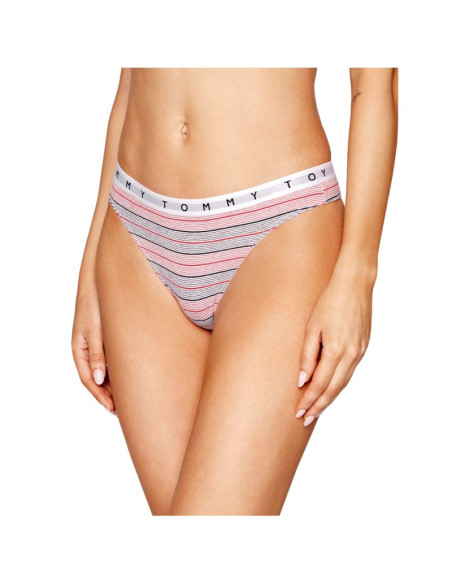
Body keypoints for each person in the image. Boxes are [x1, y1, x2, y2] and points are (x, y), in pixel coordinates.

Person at [71, 68, 398, 515]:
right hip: (135, 229)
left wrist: (358, 273)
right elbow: (131, 78)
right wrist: (89, 270)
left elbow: (374, 82)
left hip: (278, 231)